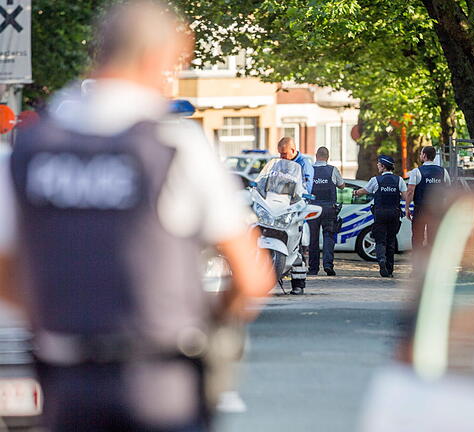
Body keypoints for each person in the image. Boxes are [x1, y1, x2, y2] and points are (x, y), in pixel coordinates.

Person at [0, 1, 276, 431]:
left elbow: (5, 270)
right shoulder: (173, 145)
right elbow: (251, 275)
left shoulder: (31, 149)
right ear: (162, 58)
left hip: (66, 382)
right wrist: (211, 323)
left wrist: (61, 317)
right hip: (160, 382)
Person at [354, 155, 407, 278]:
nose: (377, 166)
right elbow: (405, 196)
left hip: (380, 213)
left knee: (380, 240)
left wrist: (356, 192)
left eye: (378, 164)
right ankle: (389, 269)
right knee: (391, 241)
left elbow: (365, 191)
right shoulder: (399, 180)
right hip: (394, 213)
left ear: (383, 166)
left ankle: (381, 259)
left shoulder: (375, 180)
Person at [308, 146, 345, 276]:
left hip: (312, 209)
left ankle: (313, 268)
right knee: (328, 237)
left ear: (316, 155)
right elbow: (342, 186)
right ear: (327, 157)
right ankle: (328, 265)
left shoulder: (309, 170)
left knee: (313, 238)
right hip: (329, 209)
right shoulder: (333, 170)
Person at [405, 146, 450, 249]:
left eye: (421, 153)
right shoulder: (443, 171)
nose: (420, 155)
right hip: (437, 209)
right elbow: (448, 190)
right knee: (434, 237)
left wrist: (407, 208)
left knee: (417, 236)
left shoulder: (416, 172)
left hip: (421, 208)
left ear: (424, 155)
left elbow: (410, 191)